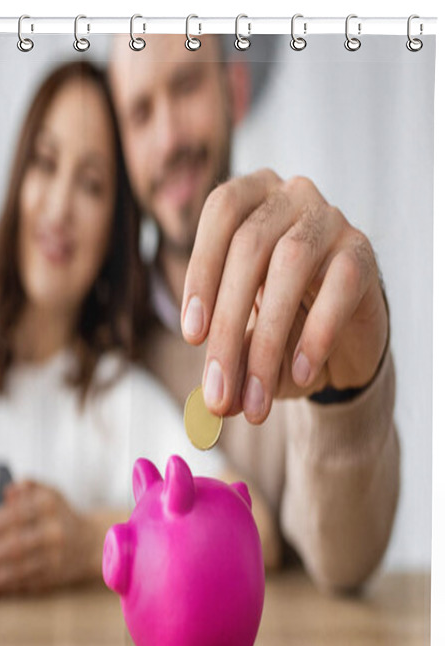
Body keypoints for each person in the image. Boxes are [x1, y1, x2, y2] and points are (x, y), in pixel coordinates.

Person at [0, 61, 276, 597]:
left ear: (115, 230)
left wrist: (87, 539)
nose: (59, 207)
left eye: (91, 185)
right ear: (18, 178)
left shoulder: (117, 397)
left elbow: (252, 521)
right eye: (45, 164)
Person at [106, 35, 401, 592]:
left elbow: (347, 564)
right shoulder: (106, 331)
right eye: (140, 113)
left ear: (233, 91)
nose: (167, 137)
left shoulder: (296, 300)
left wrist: (347, 394)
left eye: (187, 84)